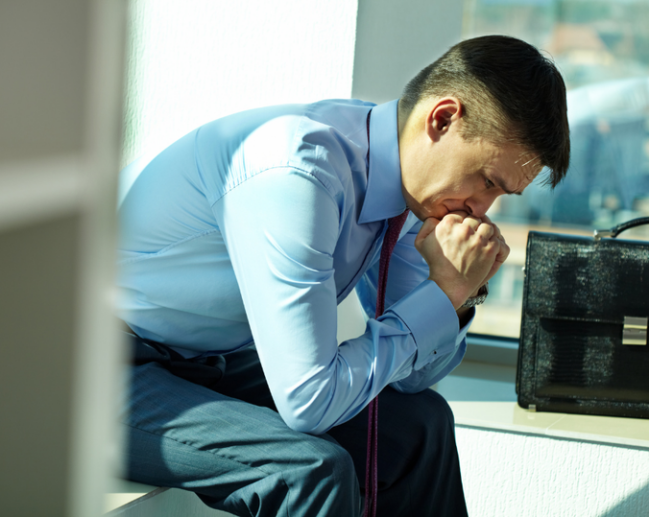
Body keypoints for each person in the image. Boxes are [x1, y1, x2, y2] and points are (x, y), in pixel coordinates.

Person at [117, 35, 569, 516]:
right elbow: (308, 401)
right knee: (311, 471)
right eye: (486, 182)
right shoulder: (299, 171)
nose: (481, 211)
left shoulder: (416, 193)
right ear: (442, 119)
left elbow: (413, 380)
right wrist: (443, 291)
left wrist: (458, 296)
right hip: (86, 367)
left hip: (207, 360)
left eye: (500, 196)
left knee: (421, 427)